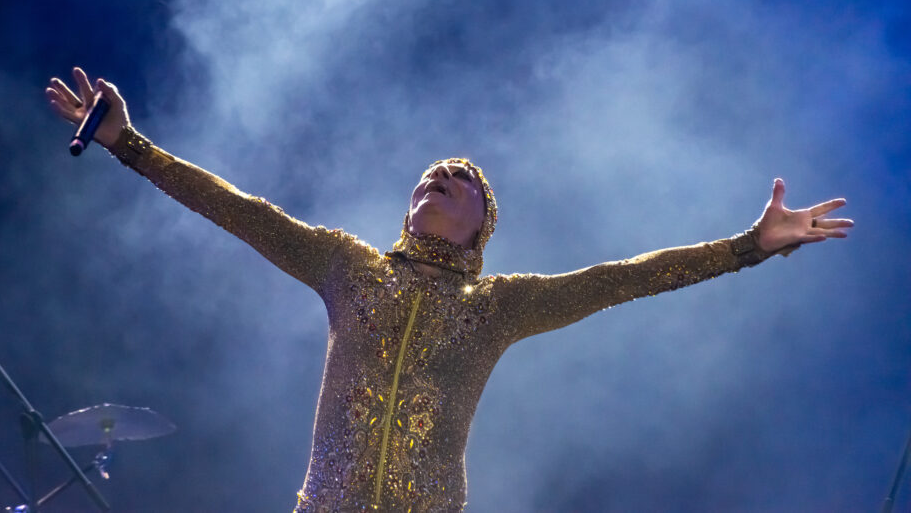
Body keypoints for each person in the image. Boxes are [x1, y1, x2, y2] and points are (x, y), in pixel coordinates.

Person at [46, 67, 853, 513]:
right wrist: (129, 144)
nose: (444, 174)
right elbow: (237, 210)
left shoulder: (498, 305)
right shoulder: (345, 264)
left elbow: (624, 279)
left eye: (464, 180)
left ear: (481, 230)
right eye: (433, 173)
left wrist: (750, 246)